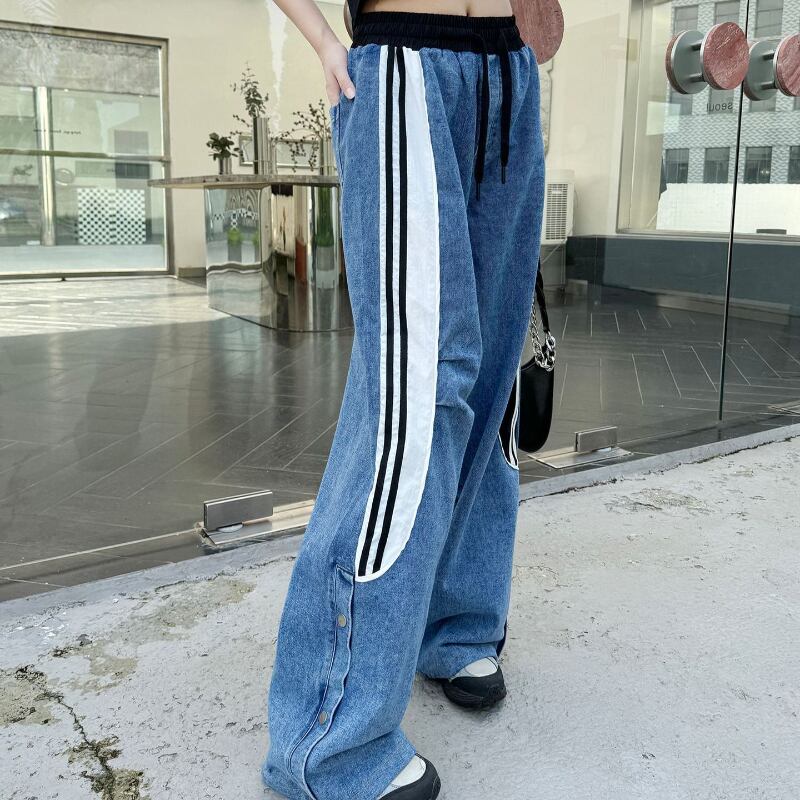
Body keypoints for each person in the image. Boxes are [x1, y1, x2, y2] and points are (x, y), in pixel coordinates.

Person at [263, 0, 545, 797]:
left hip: (510, 72)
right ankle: (328, 737)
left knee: (492, 381)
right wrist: (324, 40)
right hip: (406, 65)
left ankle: (456, 624)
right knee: (417, 391)